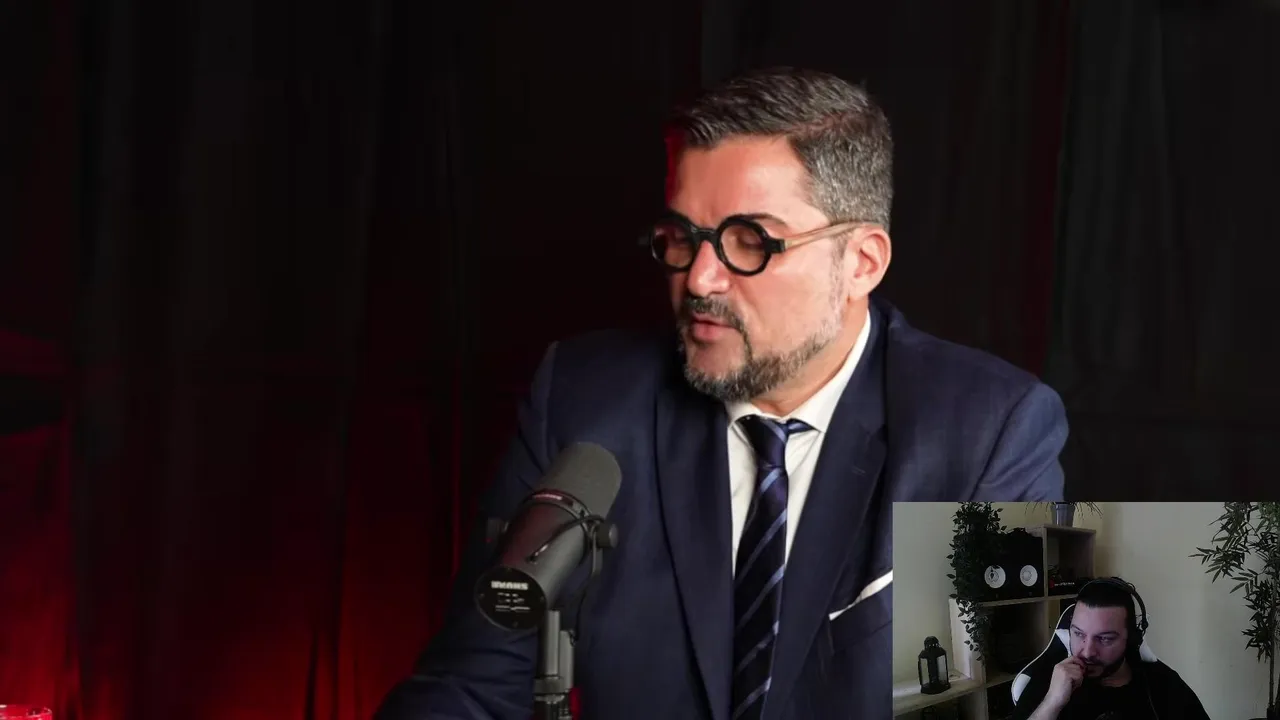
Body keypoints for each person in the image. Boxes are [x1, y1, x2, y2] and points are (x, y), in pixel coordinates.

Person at [375, 66, 1067, 720]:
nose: (700, 279)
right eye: (682, 237)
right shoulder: (582, 399)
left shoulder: (993, 432)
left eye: (750, 241)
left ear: (861, 263)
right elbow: (471, 684)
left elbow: (1015, 701)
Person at [1011, 580, 1210, 720]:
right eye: (1078, 634)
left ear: (1131, 638)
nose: (1087, 652)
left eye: (1104, 639)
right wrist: (1052, 702)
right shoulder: (1049, 680)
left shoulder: (1164, 686)